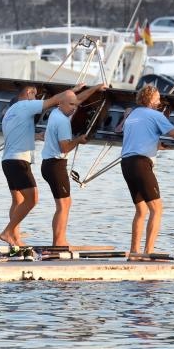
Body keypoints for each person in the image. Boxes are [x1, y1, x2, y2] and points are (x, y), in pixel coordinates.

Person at [120, 85, 174, 257]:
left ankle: (135, 252)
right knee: (157, 209)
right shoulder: (156, 115)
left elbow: (138, 137)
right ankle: (149, 252)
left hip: (126, 163)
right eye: (157, 99)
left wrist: (158, 146)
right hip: (141, 164)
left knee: (141, 210)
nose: (159, 102)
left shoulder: (133, 114)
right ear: (150, 100)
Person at [0, 85, 71, 247]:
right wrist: (73, 91)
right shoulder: (26, 105)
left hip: (7, 160)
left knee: (17, 201)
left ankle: (15, 241)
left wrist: (36, 136)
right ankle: (8, 231)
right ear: (29, 93)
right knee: (32, 199)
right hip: (18, 161)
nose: (37, 99)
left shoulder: (9, 112)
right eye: (35, 96)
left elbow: (17, 133)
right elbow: (55, 100)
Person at [40, 85, 106, 247]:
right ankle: (58, 241)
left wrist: (96, 87)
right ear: (60, 104)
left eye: (75, 106)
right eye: (71, 106)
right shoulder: (62, 121)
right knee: (63, 205)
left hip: (48, 164)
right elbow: (65, 148)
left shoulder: (56, 112)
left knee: (65, 204)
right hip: (56, 165)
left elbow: (77, 99)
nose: (74, 109)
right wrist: (79, 140)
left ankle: (59, 240)